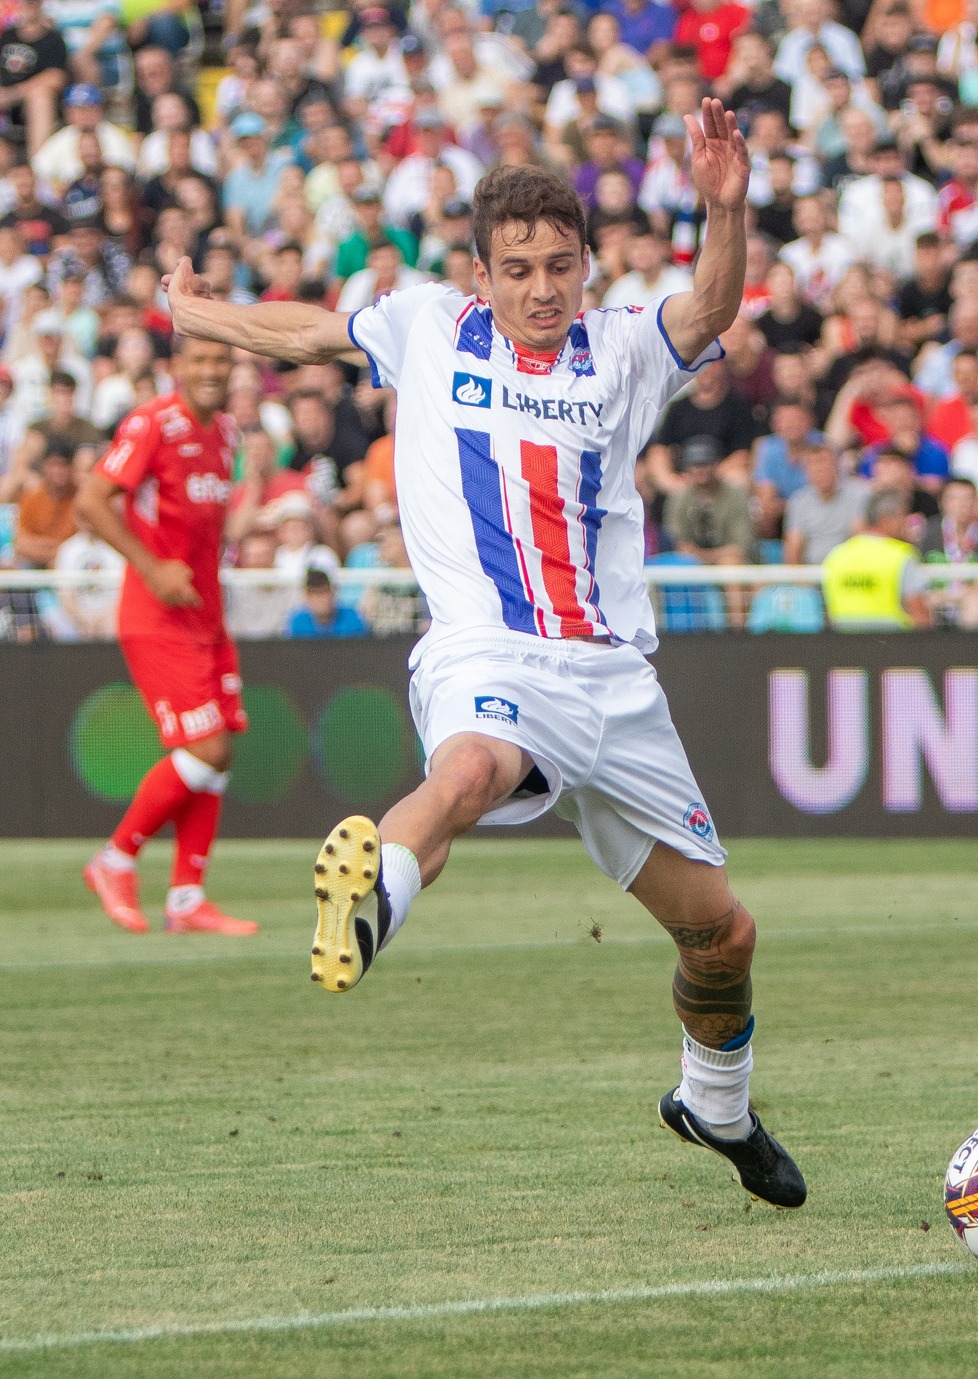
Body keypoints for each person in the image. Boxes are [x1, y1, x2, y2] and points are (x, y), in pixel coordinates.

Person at [157, 100, 807, 1209]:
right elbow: (307, 330)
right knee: (463, 772)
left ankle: (716, 1104)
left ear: (587, 266)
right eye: (517, 269)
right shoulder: (425, 327)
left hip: (612, 678)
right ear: (481, 273)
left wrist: (724, 203)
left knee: (721, 932)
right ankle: (368, 901)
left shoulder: (622, 350)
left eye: (560, 265)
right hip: (485, 652)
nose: (541, 287)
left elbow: (711, 301)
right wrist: (199, 315)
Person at [75, 337, 259, 936]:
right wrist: (151, 568)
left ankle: (185, 899)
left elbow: (207, 528)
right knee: (204, 751)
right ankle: (114, 858)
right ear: (176, 367)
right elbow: (93, 500)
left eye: (219, 361)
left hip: (207, 617)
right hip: (156, 617)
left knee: (220, 752)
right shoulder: (152, 421)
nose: (210, 370)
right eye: (199, 360)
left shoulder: (226, 433)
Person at [820, 488, 933, 628]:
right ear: (886, 521)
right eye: (902, 516)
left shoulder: (837, 555)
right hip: (895, 644)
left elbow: (829, 611)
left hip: (846, 645)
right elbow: (919, 614)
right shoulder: (901, 555)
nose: (906, 522)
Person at [287, 568, 370, 638]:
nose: (321, 599)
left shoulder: (352, 618)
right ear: (307, 597)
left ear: (333, 592)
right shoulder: (298, 622)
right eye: (315, 593)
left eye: (324, 592)